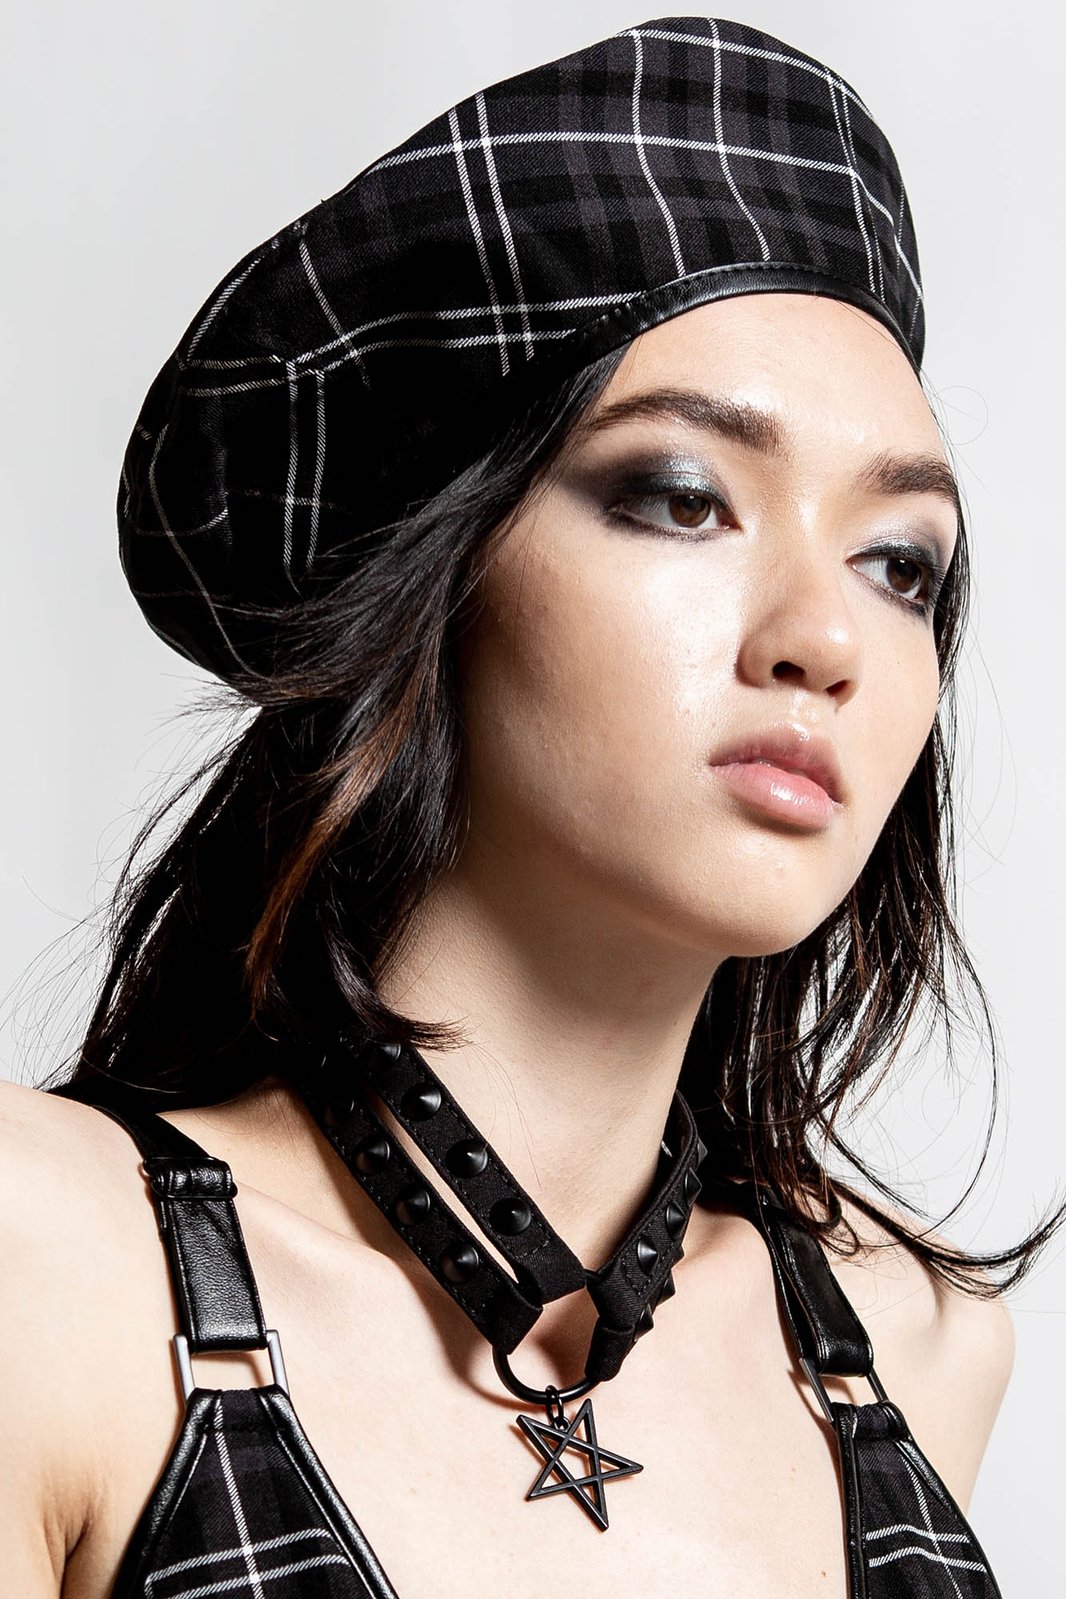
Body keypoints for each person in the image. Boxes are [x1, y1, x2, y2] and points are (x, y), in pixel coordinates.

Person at [0, 15, 1056, 1598]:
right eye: (681, 498)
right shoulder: (47, 1267)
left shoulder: (912, 1347)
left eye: (896, 563)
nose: (824, 638)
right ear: (433, 577)